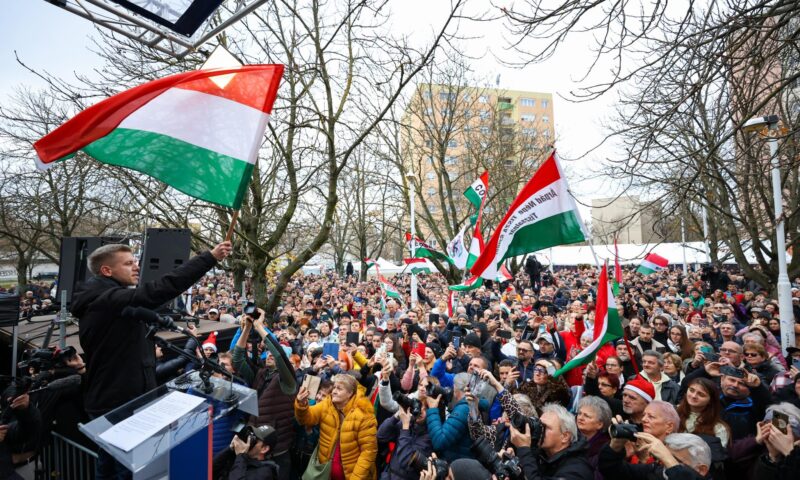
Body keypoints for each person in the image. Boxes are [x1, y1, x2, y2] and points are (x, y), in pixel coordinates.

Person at [70, 241, 231, 479]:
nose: (136, 267)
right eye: (128, 263)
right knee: (126, 470)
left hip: (121, 399)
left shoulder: (109, 300)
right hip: (118, 404)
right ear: (107, 270)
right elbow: (159, 290)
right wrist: (209, 257)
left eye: (135, 261)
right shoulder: (107, 299)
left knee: (108, 466)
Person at [232, 310, 297, 479]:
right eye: (267, 352)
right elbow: (237, 359)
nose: (269, 354)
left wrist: (260, 327)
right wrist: (246, 328)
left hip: (277, 453)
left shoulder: (288, 382)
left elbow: (279, 355)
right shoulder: (260, 374)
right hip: (255, 449)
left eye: (272, 352)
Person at [295, 374, 378, 479]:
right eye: (334, 387)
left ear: (350, 393)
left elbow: (368, 452)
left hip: (351, 475)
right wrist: (301, 404)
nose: (334, 391)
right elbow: (306, 419)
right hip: (326, 471)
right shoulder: (327, 404)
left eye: (339, 389)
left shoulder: (364, 414)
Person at [509, 403, 593, 480]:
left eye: (546, 427)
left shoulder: (577, 470)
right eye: (540, 425)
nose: (540, 430)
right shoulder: (543, 454)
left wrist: (524, 449)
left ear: (565, 436)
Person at [599, 431, 713, 480]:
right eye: (666, 454)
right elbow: (612, 470)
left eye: (676, 460)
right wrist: (615, 446)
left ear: (701, 469)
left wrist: (668, 459)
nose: (665, 462)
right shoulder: (657, 472)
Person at [376, 392, 432, 480]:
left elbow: (406, 461)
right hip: (389, 475)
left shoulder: (429, 435)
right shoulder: (410, 422)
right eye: (420, 407)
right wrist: (396, 416)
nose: (421, 411)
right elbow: (381, 436)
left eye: (426, 409)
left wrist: (405, 428)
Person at [424, 372, 472, 462]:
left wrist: (433, 410)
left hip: (457, 463)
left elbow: (439, 441)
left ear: (456, 387)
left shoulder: (463, 409)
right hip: (462, 460)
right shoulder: (471, 403)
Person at [212, 425, 279, 480]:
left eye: (254, 440)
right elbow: (210, 470)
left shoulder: (264, 473)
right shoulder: (241, 458)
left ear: (264, 449)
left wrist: (240, 456)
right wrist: (230, 448)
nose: (248, 441)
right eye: (251, 436)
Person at [576, 396, 612, 480]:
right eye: (579, 413)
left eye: (587, 416)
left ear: (600, 424)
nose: (580, 418)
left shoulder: (604, 449)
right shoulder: (570, 438)